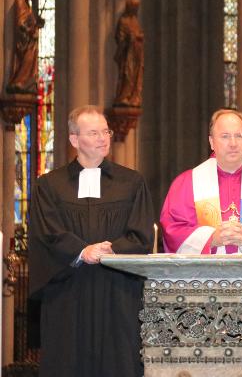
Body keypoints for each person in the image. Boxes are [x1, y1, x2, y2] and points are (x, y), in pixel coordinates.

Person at [28, 105, 154, 377]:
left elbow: (142, 235)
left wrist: (109, 251)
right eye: (93, 132)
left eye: (105, 131)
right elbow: (46, 233)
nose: (103, 138)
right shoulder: (49, 185)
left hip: (117, 292)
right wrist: (82, 251)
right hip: (68, 293)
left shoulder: (131, 182)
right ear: (74, 139)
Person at [160, 109, 242, 254]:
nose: (233, 143)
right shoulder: (187, 183)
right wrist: (211, 238)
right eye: (225, 136)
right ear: (211, 142)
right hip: (204, 274)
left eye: (239, 136)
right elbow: (173, 230)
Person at [7, 0, 45, 94]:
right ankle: (18, 82)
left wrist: (38, 22)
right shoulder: (20, 2)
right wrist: (28, 29)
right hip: (23, 40)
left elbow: (30, 20)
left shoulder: (28, 4)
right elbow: (19, 22)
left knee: (30, 59)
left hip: (30, 40)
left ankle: (26, 82)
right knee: (25, 59)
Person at [113, 0, 145, 107]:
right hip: (127, 53)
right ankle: (123, 97)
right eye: (135, 8)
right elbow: (119, 37)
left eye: (137, 8)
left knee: (137, 75)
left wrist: (139, 37)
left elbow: (139, 33)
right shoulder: (123, 21)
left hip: (137, 52)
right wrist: (128, 39)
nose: (136, 10)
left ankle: (134, 97)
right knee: (127, 73)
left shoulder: (135, 20)